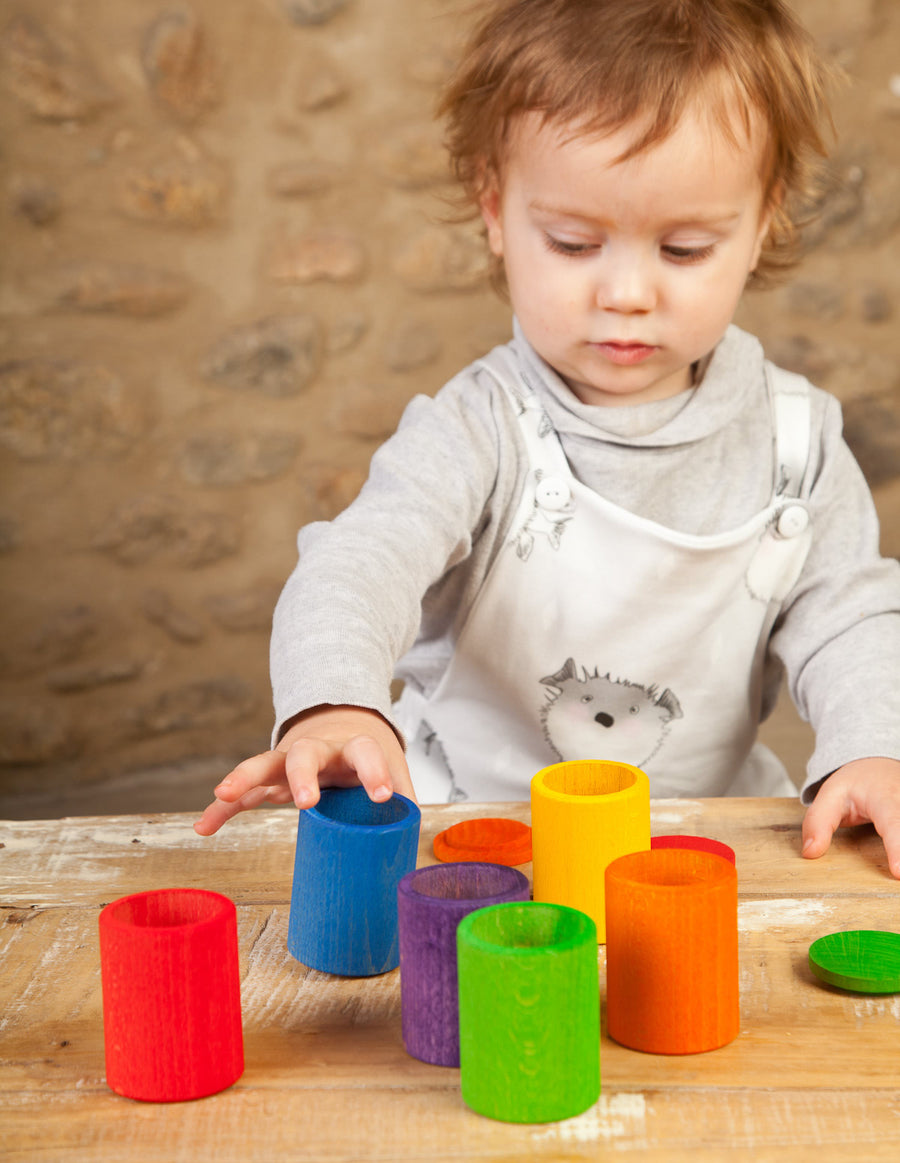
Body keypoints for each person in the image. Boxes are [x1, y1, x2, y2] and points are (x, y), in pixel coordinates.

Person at [195, 0, 900, 875]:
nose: (628, 292)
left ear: (765, 222)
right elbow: (357, 563)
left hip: (685, 848)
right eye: (573, 242)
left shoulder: (797, 439)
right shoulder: (480, 428)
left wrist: (875, 744)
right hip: (473, 842)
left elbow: (852, 619)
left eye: (683, 249)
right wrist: (334, 704)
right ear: (496, 211)